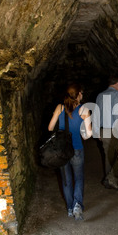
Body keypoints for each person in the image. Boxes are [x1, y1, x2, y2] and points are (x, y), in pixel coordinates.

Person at [48, 83, 92, 220]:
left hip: (62, 150)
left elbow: (50, 127)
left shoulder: (59, 107)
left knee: (66, 180)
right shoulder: (84, 110)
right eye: (82, 93)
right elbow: (88, 134)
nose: (82, 95)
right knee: (78, 177)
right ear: (78, 95)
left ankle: (69, 208)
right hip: (77, 148)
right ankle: (77, 204)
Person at [92, 74, 118, 191]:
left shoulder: (100, 95)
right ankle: (112, 179)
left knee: (108, 156)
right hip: (113, 130)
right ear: (117, 83)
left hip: (103, 129)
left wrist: (96, 132)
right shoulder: (117, 94)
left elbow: (96, 114)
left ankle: (109, 180)